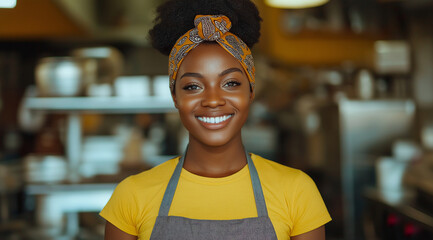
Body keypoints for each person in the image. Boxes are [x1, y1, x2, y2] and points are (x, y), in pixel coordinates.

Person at [100, 0, 331, 239]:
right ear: (175, 96)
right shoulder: (132, 197)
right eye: (193, 86)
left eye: (230, 83)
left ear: (250, 91)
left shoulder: (296, 192)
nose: (213, 100)